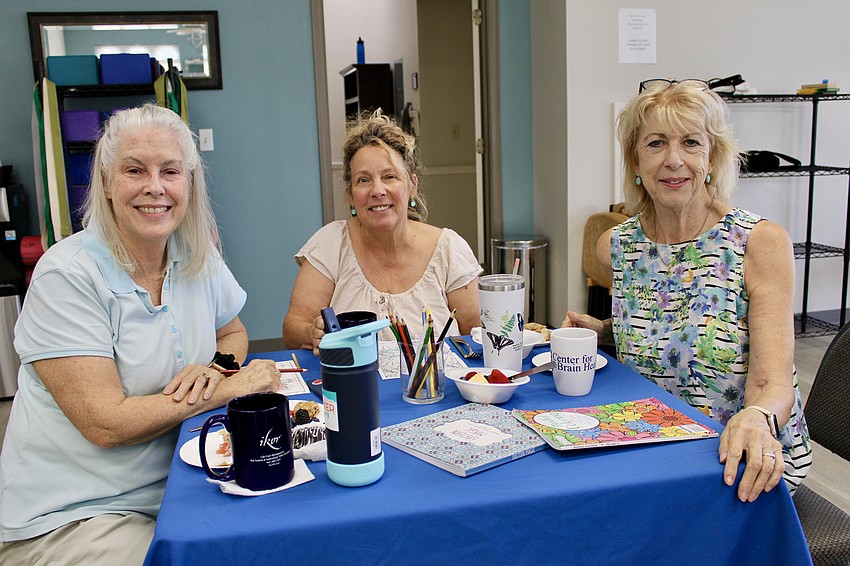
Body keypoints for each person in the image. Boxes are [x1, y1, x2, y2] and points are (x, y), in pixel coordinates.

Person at [0, 104, 281, 564]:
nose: (155, 187)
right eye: (135, 169)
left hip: (181, 487)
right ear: (107, 183)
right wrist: (227, 390)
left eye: (170, 171)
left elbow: (232, 331)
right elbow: (106, 424)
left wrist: (216, 367)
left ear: (189, 183)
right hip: (80, 514)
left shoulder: (195, 254)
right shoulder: (66, 276)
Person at [563, 79, 812, 502]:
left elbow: (773, 382)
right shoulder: (618, 247)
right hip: (648, 440)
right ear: (635, 163)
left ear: (712, 157)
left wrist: (757, 417)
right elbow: (667, 319)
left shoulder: (759, 243)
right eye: (656, 143)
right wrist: (606, 331)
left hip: (737, 456)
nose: (673, 160)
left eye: (691, 143)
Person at [283, 111, 482, 352]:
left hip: (433, 387)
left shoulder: (449, 249)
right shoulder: (330, 244)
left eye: (389, 177)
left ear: (412, 186)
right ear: (350, 195)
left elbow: (476, 332)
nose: (378, 190)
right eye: (363, 180)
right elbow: (293, 327)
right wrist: (311, 333)